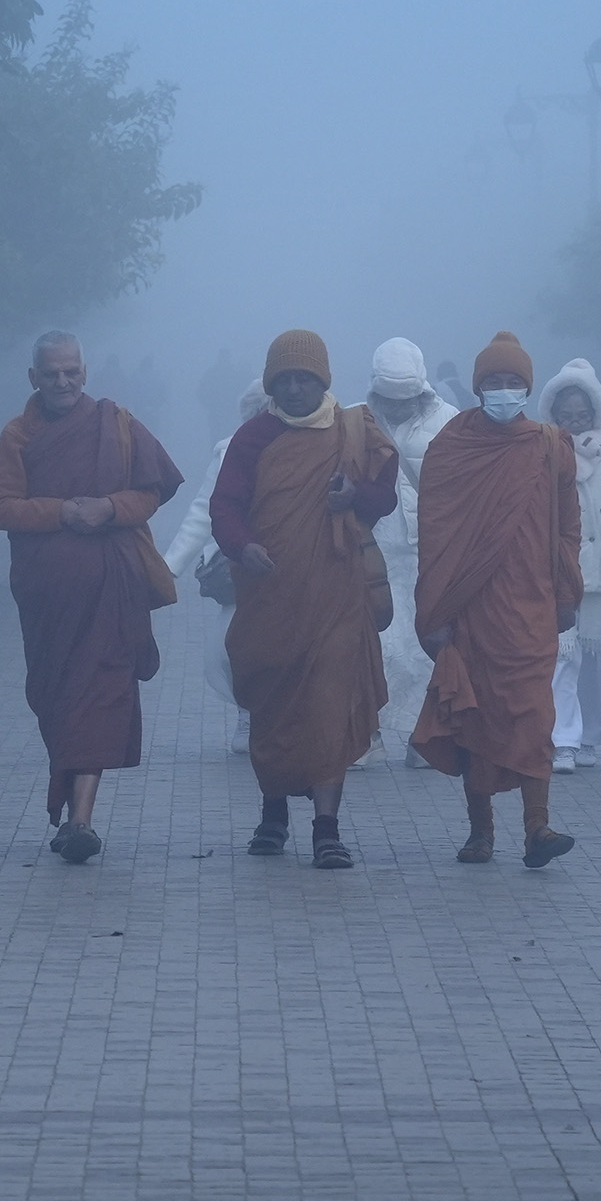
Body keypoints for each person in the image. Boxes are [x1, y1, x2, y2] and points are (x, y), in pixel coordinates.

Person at [0, 331, 185, 862]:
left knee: (99, 695)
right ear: (33, 378)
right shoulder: (18, 435)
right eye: (51, 373)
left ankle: (81, 821)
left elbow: (154, 488)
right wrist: (62, 512)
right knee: (58, 700)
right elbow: (0, 507)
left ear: (85, 372)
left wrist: (110, 509)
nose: (63, 382)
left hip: (109, 593)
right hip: (46, 599)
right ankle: (73, 806)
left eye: (71, 371)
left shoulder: (114, 424)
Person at [211, 329, 400, 869]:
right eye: (285, 380)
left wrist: (354, 497)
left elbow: (383, 496)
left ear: (323, 380)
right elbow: (225, 506)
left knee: (328, 705)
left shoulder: (352, 430)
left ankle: (327, 829)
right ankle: (273, 815)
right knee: (272, 703)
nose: (295, 389)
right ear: (272, 383)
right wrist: (242, 546)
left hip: (337, 593)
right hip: (271, 594)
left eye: (305, 379)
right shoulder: (254, 437)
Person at [411, 333, 582, 869]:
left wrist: (567, 590)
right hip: (471, 606)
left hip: (532, 605)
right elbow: (435, 532)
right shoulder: (452, 448)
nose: (504, 392)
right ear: (478, 387)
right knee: (475, 718)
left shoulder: (550, 445)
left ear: (527, 388)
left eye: (514, 383)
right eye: (494, 383)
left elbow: (568, 527)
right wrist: (436, 610)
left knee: (533, 714)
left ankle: (538, 828)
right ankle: (479, 832)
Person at [538, 358, 601, 773]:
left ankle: (588, 737)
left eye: (583, 415)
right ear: (554, 413)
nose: (576, 423)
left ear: (597, 411)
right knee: (561, 656)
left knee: (593, 659)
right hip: (556, 567)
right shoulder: (541, 447)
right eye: (567, 415)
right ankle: (561, 738)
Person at [359, 337, 459, 760]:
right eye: (389, 399)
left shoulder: (450, 423)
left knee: (425, 648)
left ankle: (425, 733)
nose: (397, 408)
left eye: (406, 399)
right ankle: (366, 733)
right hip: (373, 551)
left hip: (429, 552)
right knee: (373, 645)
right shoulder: (354, 422)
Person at [161, 376, 271, 754]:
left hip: (302, 564)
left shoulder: (315, 445)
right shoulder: (230, 451)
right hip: (245, 566)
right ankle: (248, 714)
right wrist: (167, 568)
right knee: (231, 647)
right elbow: (203, 513)